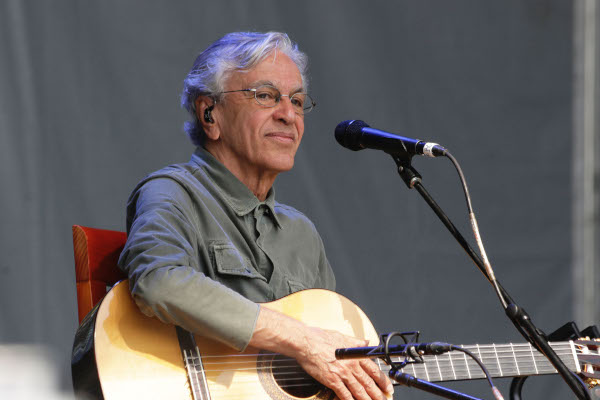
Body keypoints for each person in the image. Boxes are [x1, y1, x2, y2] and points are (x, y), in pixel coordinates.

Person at [118, 31, 393, 400]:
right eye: (265, 96)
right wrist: (301, 339)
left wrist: (353, 380)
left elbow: (326, 357)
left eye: (296, 100)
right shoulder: (172, 192)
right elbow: (158, 281)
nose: (288, 115)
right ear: (209, 114)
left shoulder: (302, 234)